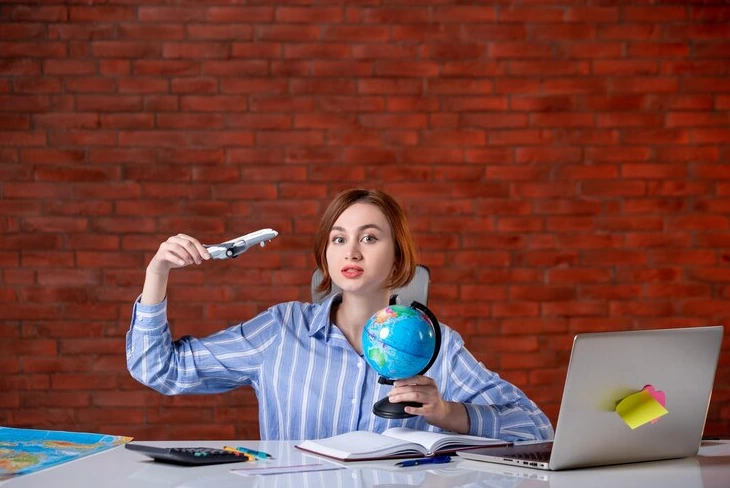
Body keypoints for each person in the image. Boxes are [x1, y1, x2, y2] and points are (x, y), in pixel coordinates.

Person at [126, 188, 554, 442]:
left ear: (399, 255)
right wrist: (156, 272)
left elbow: (536, 430)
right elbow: (158, 369)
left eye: (369, 237)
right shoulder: (281, 330)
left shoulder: (435, 344)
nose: (351, 251)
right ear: (326, 255)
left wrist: (445, 412)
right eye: (338, 239)